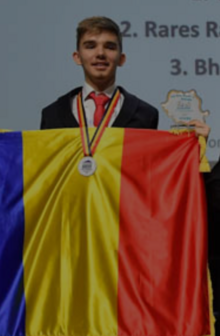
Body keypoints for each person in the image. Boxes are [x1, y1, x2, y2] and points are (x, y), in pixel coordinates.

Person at [40, 16, 159, 130]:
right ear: (77, 57)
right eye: (91, 46)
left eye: (110, 47)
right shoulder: (52, 114)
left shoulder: (146, 115)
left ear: (121, 59)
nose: (100, 53)